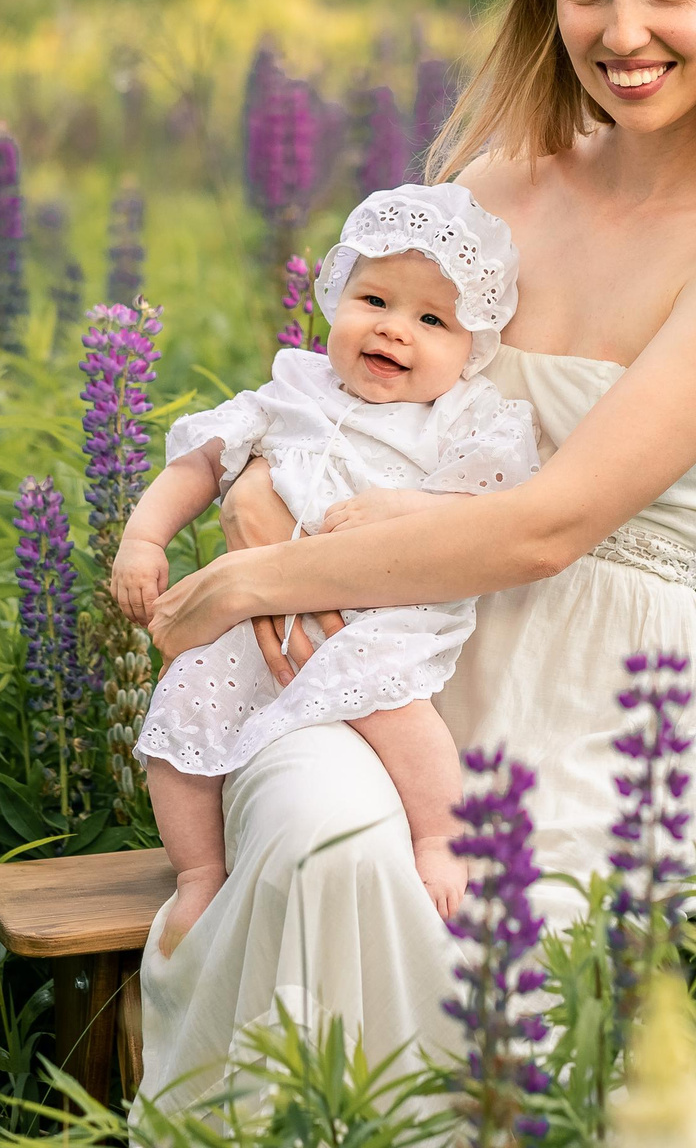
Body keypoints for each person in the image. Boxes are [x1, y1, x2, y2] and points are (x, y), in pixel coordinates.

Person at [138, 0, 696, 1104]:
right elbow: (356, 393)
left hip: (597, 716)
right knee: (321, 840)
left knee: (488, 993)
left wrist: (257, 583)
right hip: (381, 671)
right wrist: (263, 486)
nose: (622, 29)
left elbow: (549, 523)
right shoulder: (496, 185)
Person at [111, 185, 541, 955]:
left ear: (471, 351)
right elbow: (205, 461)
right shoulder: (294, 390)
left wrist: (404, 507)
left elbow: (485, 511)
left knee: (401, 717)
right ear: (335, 297)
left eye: (431, 319)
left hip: (374, 617)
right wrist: (144, 538)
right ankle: (199, 870)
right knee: (177, 719)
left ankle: (440, 835)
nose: (393, 327)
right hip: (257, 621)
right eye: (373, 297)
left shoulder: (457, 418)